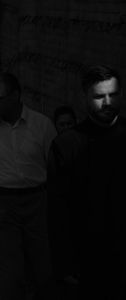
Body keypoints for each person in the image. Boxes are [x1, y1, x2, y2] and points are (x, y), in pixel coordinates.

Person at [47, 65, 126, 300]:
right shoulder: (66, 145)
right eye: (99, 96)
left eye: (113, 95)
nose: (107, 102)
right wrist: (65, 262)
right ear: (84, 97)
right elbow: (58, 210)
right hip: (90, 261)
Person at [0, 72, 57, 300]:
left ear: (15, 96)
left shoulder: (41, 125)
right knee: (9, 267)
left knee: (43, 261)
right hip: (5, 201)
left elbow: (54, 167)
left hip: (37, 199)